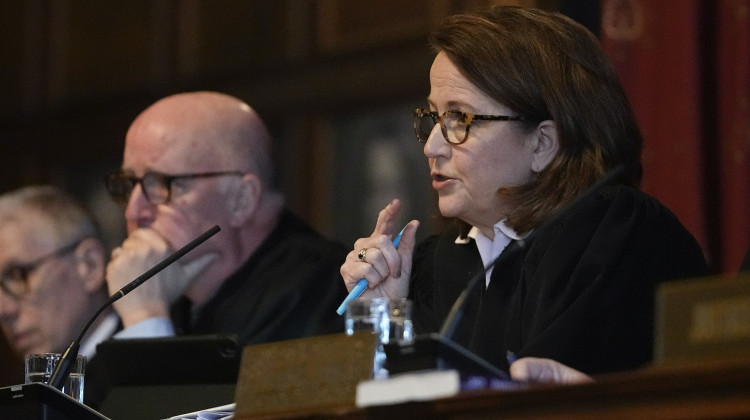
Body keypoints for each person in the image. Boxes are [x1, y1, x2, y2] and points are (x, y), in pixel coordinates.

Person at [340, 6, 709, 377]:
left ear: (542, 143)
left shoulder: (616, 233)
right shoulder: (434, 264)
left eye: (459, 119)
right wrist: (385, 316)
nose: (432, 146)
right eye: (434, 117)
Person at [103, 91, 348, 346]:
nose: (133, 211)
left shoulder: (314, 289)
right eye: (129, 184)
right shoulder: (165, 292)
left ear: (241, 199)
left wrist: (145, 318)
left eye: (163, 184)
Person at [0, 185, 119, 400]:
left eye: (19, 275)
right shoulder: (18, 396)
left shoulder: (142, 376)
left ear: (89, 265)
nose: (3, 309)